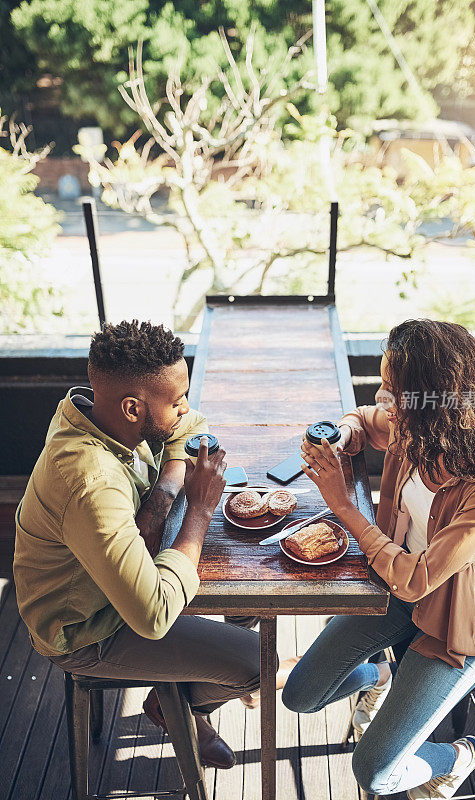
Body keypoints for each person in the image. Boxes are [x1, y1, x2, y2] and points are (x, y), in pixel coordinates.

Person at [13, 319, 292, 770]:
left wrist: (161, 498)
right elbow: (152, 615)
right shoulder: (92, 482)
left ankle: (181, 686)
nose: (187, 408)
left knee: (244, 593)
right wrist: (198, 509)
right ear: (131, 407)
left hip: (122, 577)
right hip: (88, 628)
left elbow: (191, 429)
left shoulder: (87, 410)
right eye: (176, 400)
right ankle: (181, 707)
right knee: (257, 662)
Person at [282, 319, 475, 799]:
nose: (383, 400)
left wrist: (343, 506)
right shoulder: (410, 428)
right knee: (299, 695)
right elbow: (362, 419)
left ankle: (460, 754)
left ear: (430, 402)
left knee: (374, 773)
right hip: (393, 593)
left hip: (457, 625)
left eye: (392, 391)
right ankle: (382, 674)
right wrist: (342, 436)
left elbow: (417, 581)